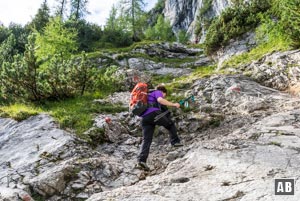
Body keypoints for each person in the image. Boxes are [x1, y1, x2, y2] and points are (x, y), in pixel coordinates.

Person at [137, 85, 183, 171]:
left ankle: (141, 160)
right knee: (170, 124)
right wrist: (173, 104)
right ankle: (175, 142)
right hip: (153, 113)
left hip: (145, 118)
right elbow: (160, 100)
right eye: (165, 95)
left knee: (146, 140)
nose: (164, 96)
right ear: (163, 92)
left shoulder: (147, 95)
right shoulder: (157, 92)